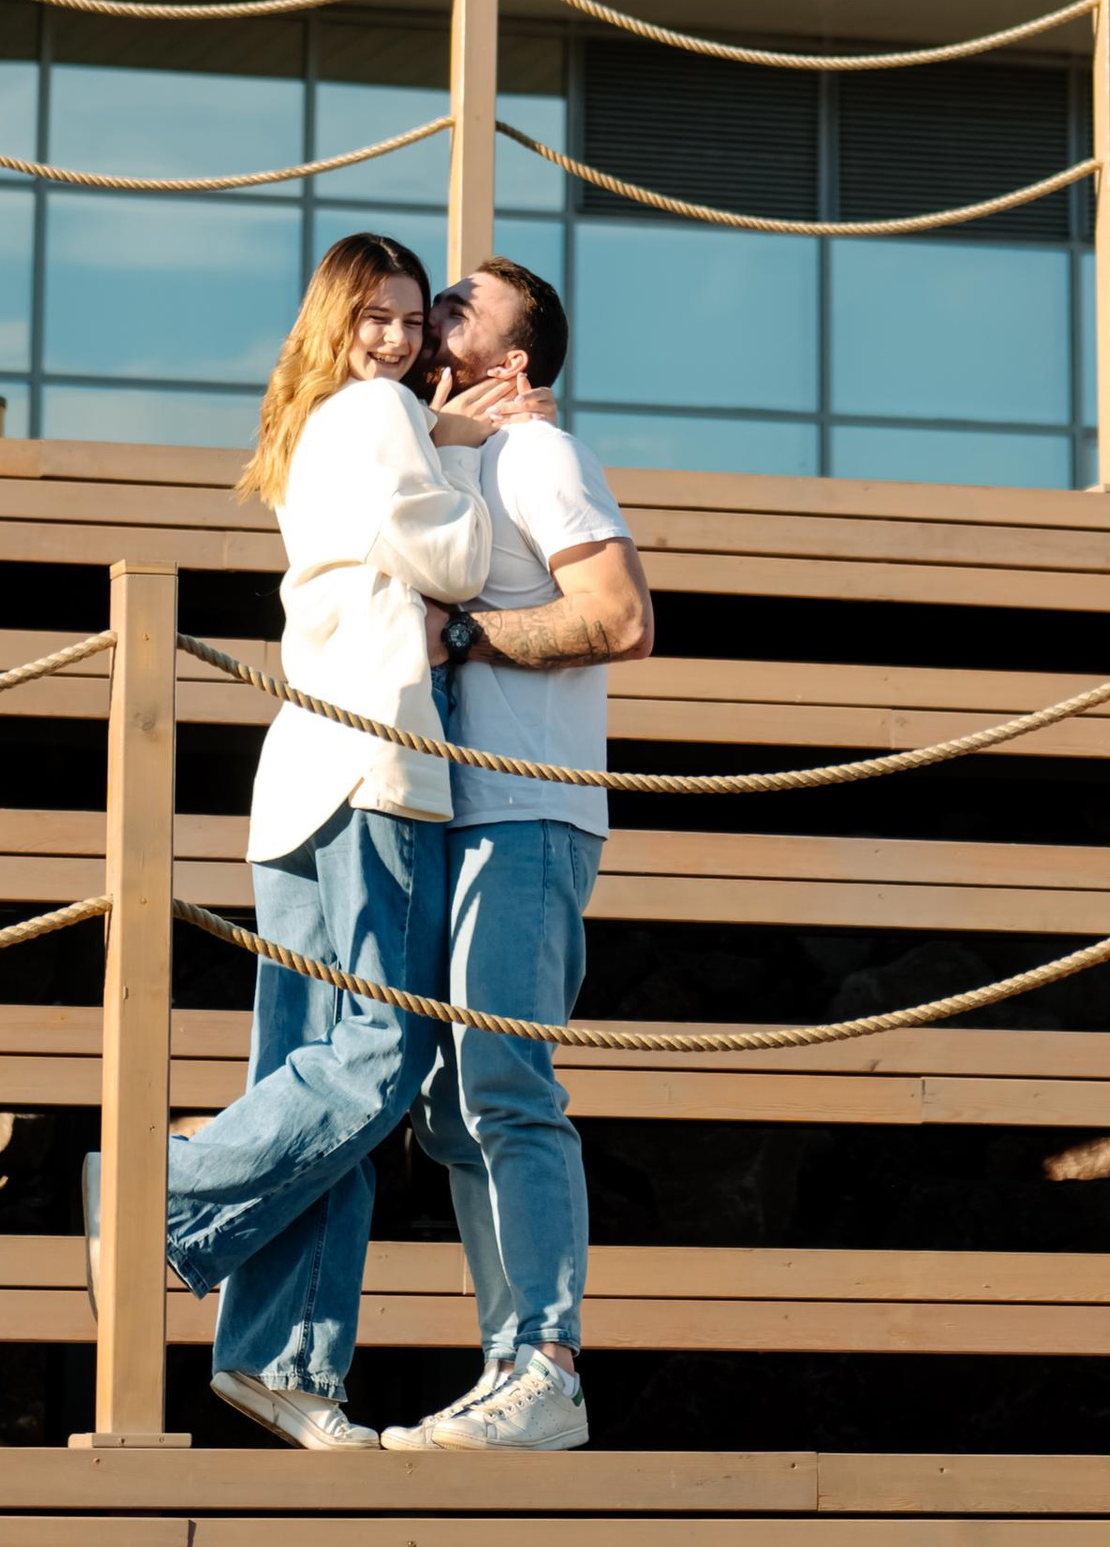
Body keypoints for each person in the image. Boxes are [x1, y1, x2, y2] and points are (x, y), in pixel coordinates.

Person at [83, 230, 543, 1448]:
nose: (397, 341)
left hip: (299, 783)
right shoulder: (383, 415)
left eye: (409, 319)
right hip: (377, 770)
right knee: (382, 1054)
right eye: (377, 318)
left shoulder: (304, 431)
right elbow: (456, 556)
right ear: (334, 321)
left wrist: (433, 447)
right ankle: (148, 1196)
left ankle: (282, 1363)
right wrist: (461, 446)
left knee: (308, 1070)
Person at [381, 255, 654, 1457]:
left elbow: (620, 617)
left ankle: (545, 1365)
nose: (427, 317)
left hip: (526, 816)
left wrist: (470, 634)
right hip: (457, 814)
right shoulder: (450, 452)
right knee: (451, 1104)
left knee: (504, 1089)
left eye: (454, 309)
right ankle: (511, 1370)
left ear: (514, 360)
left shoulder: (536, 454)